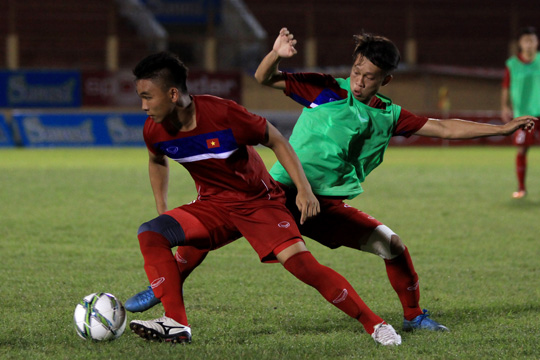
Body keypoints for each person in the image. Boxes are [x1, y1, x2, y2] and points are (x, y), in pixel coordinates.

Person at [126, 31, 535, 337]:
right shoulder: (326, 90)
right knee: (210, 230)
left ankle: (413, 316)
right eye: (357, 71)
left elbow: (443, 126)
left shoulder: (390, 116)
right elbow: (265, 78)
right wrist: (276, 54)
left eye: (370, 77)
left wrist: (500, 129)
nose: (359, 81)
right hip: (282, 191)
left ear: (385, 81)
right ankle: (163, 291)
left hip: (323, 206)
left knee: (391, 245)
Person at [127, 51, 404, 346]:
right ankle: (176, 323)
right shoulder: (154, 130)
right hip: (213, 205)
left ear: (172, 93)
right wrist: (162, 209)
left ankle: (375, 324)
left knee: (302, 266)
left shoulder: (223, 114)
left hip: (259, 203)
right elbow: (156, 160)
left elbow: (276, 139)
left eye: (148, 97)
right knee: (152, 232)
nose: (143, 106)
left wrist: (304, 190)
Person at [501, 26, 540, 199]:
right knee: (522, 150)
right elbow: (505, 87)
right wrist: (504, 106)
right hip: (523, 116)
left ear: (537, 43)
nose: (529, 44)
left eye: (532, 40)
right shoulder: (512, 64)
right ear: (520, 43)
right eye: (526, 41)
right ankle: (521, 188)